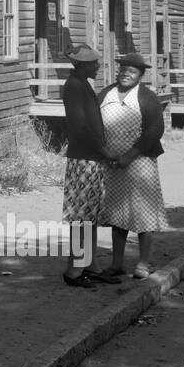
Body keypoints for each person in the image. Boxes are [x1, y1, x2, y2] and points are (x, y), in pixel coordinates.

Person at [98, 52, 170, 278]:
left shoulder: (147, 97)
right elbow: (94, 123)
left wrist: (130, 155)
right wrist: (106, 152)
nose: (125, 75)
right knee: (118, 213)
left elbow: (154, 131)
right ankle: (117, 263)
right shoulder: (106, 93)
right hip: (112, 163)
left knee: (143, 212)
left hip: (140, 162)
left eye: (132, 72)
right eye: (123, 70)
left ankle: (143, 264)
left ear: (140, 75)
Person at [59, 44, 119, 287]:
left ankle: (91, 265)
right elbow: (81, 127)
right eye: (94, 63)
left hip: (92, 158)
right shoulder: (74, 87)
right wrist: (103, 150)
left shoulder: (83, 84)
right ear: (82, 65)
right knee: (80, 216)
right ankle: (74, 270)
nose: (97, 66)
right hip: (83, 158)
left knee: (90, 215)